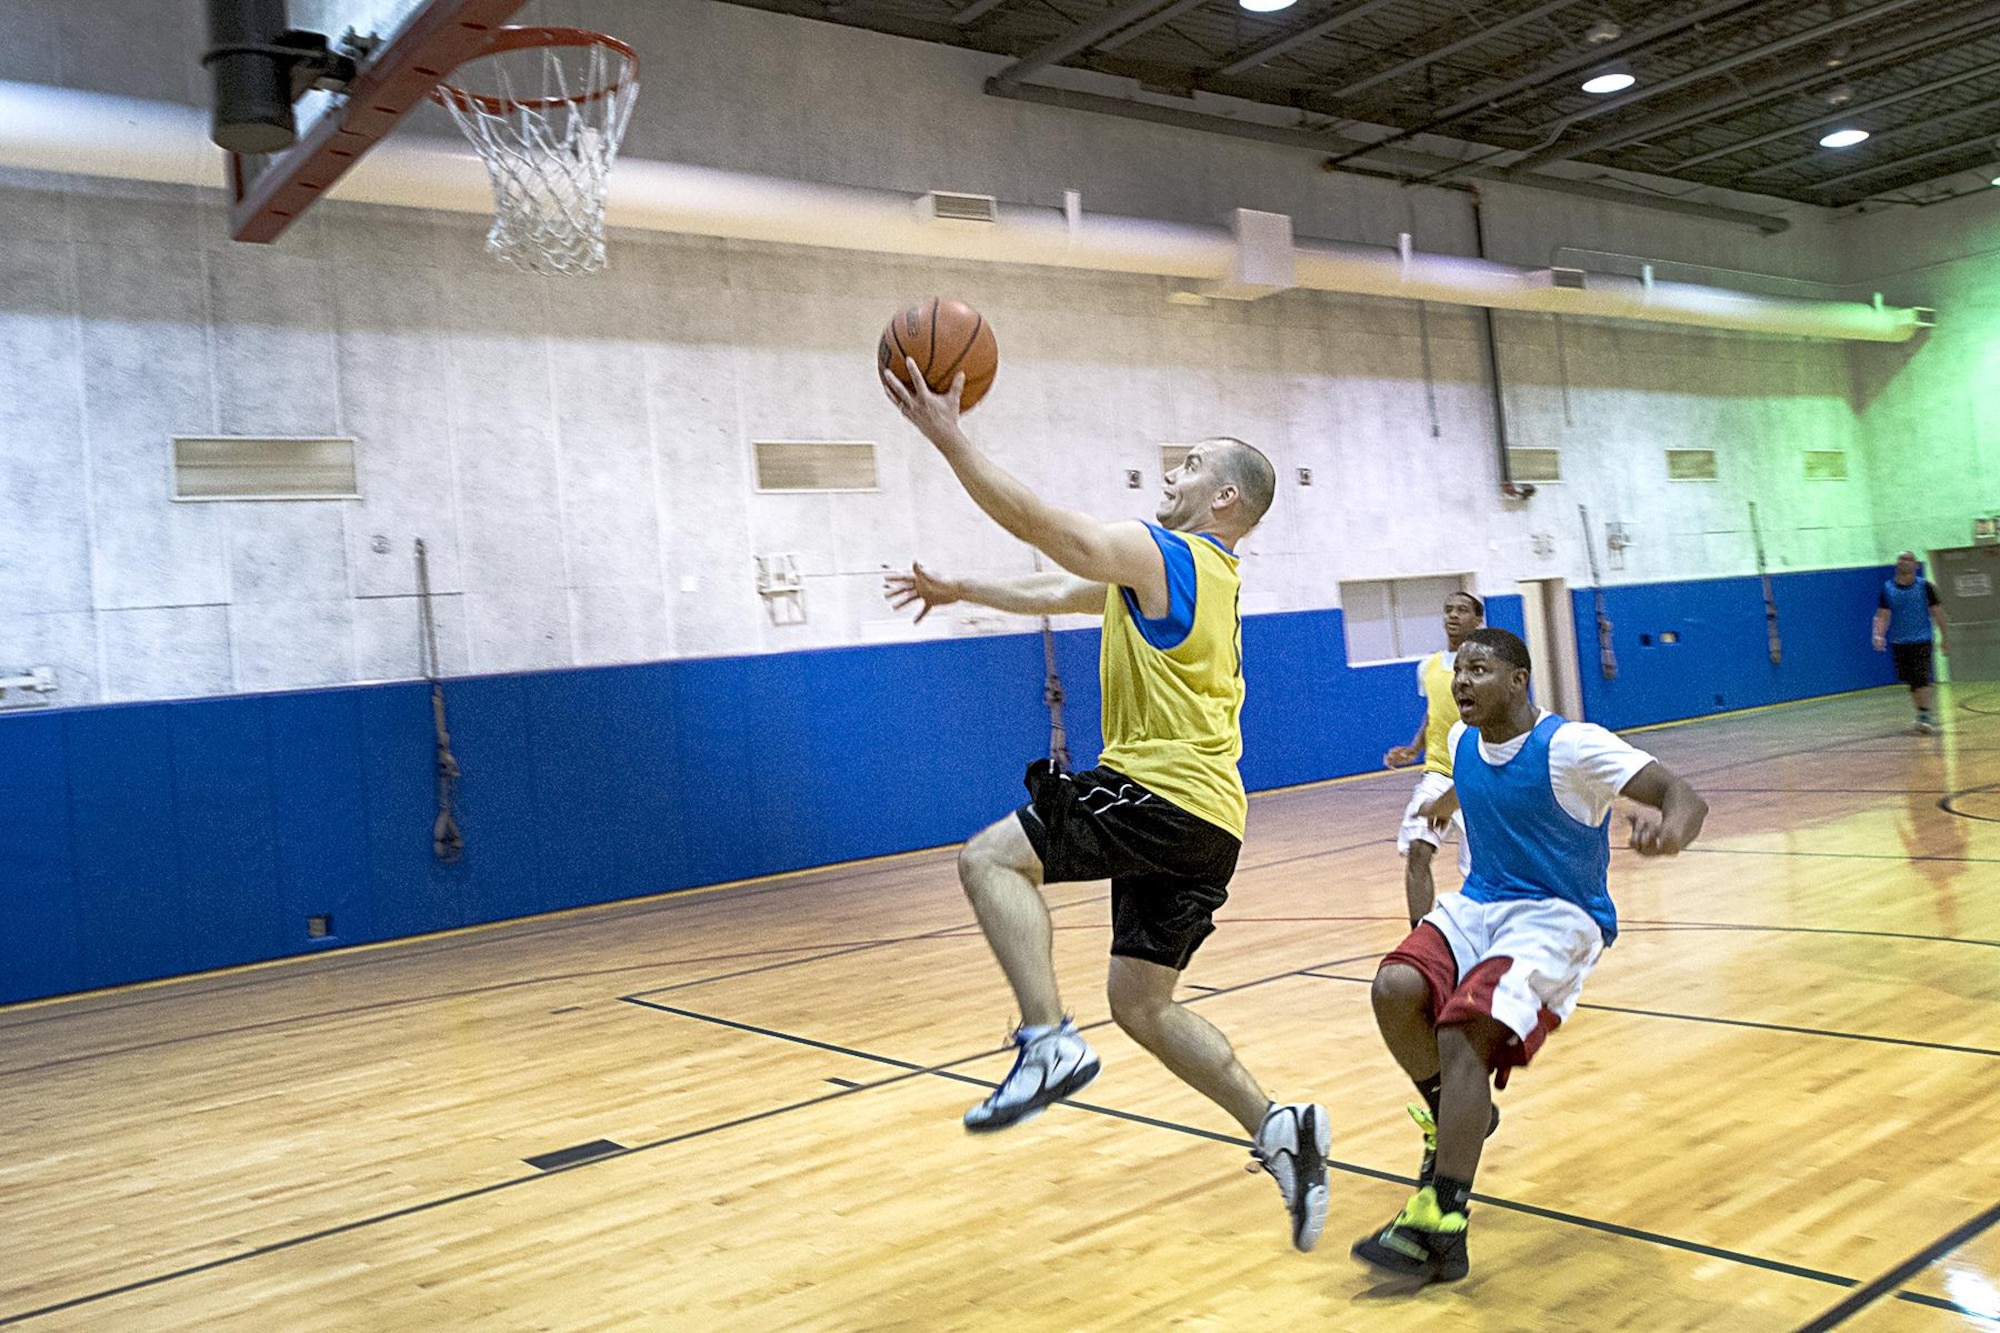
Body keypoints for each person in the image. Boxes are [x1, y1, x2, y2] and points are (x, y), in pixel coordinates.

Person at [880, 357, 1330, 1253]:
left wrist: (949, 437)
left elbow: (1055, 533)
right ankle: (1279, 1125)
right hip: (1211, 824)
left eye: (1192, 463)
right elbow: (1061, 587)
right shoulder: (1196, 574)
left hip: (1159, 792)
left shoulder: (1168, 552)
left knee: (987, 858)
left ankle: (1046, 1040)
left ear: (1227, 499)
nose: (1173, 471)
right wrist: (963, 588)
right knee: (1142, 1002)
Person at [1351, 628, 1708, 1284]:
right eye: (1458, 670)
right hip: (1481, 904)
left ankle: (1442, 1221)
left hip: (1557, 917)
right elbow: (1475, 776)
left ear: (1519, 679)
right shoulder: (1462, 741)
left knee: (1463, 1033)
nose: (1462, 681)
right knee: (1394, 987)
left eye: (1479, 669)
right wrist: (1445, 801)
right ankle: (1456, 1113)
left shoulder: (1573, 746)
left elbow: (1685, 795)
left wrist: (1671, 832)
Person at [1382, 592, 1486, 928]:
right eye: (1448, 609)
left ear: (1478, 620)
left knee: (1479, 871)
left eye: (1462, 610)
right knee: (1418, 850)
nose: (1453, 615)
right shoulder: (1427, 667)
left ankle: (1487, 933)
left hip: (1481, 777)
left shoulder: (1490, 666)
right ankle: (1420, 940)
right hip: (1439, 774)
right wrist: (1414, 749)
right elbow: (1434, 714)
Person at [1873, 550, 1950, 735]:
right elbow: (1882, 615)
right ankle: (1921, 715)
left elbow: (1938, 613)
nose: (1904, 562)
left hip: (1921, 640)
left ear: (1916, 564)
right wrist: (1878, 635)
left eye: (1908, 559)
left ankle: (1925, 715)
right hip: (1899, 642)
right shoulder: (1888, 588)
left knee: (1922, 678)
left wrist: (1945, 637)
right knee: (1912, 682)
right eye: (1901, 559)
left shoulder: (1925, 587)